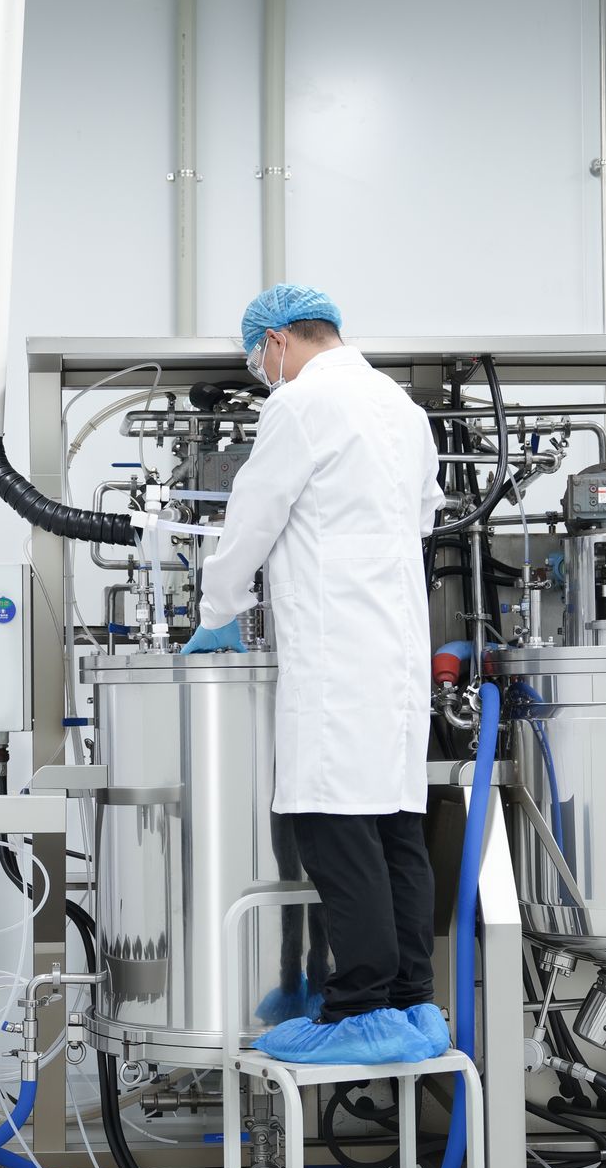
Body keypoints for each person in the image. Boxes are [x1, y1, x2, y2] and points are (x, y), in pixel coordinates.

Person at [184, 285, 448, 1067]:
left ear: (276, 342)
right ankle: (413, 1004)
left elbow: (252, 518)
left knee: (336, 829)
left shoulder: (299, 405)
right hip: (398, 654)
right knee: (396, 828)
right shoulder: (403, 409)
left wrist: (219, 608)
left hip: (339, 654)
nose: (263, 374)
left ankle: (358, 1010)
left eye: (257, 360)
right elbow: (424, 516)